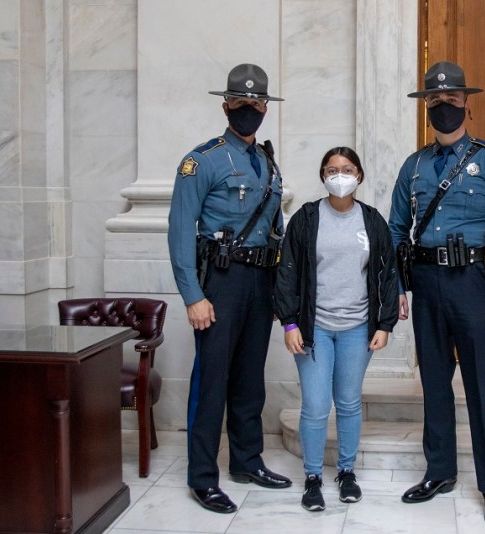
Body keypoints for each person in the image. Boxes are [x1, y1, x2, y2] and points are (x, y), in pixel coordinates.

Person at [388, 61, 485, 528]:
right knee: (434, 383)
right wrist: (399, 287)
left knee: (483, 386)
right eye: (435, 99)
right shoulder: (414, 166)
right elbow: (395, 230)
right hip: (426, 284)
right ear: (425, 106)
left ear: (467, 103)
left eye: (451, 99)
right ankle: (440, 471)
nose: (443, 106)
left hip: (473, 285)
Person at [168, 63, 292, 514]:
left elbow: (276, 228)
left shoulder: (268, 162)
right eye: (240, 102)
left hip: (260, 281)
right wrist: (193, 296)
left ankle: (246, 461)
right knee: (211, 380)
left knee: (250, 379)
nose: (248, 109)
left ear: (265, 108)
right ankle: (203, 477)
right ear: (225, 106)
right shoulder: (202, 161)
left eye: (256, 103)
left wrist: (278, 290)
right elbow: (180, 231)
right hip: (220, 282)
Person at [274, 147, 399, 512]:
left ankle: (346, 471)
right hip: (313, 329)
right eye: (331, 170)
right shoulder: (306, 218)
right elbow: (287, 272)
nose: (339, 175)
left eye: (346, 169)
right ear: (323, 176)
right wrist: (289, 322)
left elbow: (387, 273)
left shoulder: (372, 221)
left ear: (359, 175)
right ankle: (313, 476)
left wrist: (385, 324)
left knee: (347, 402)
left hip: (357, 329)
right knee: (315, 406)